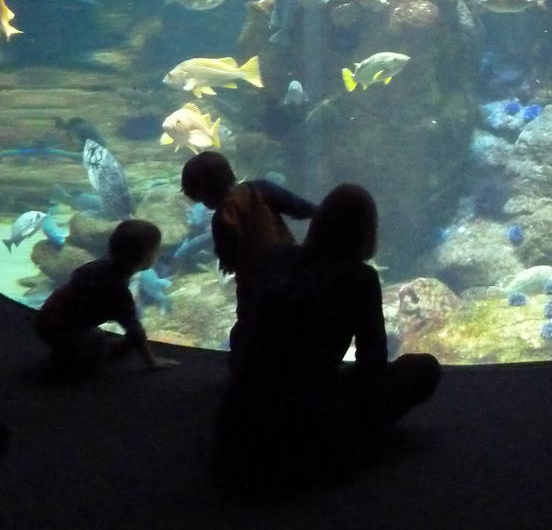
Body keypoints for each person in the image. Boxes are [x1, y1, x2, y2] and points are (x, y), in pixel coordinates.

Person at [212, 184, 440, 496]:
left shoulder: (275, 258)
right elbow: (371, 363)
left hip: (236, 426)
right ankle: (349, 444)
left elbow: (244, 334)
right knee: (422, 368)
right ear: (366, 231)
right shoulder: (360, 278)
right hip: (309, 434)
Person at [179, 151, 316, 354]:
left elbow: (228, 259)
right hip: (289, 270)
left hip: (253, 284)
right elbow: (300, 207)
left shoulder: (221, 218)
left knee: (252, 329)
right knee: (294, 322)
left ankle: (249, 370)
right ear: (230, 173)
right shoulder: (260, 188)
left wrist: (227, 263)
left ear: (202, 194)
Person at [35, 219, 177, 380]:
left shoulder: (96, 266)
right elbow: (135, 331)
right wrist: (152, 362)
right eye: (156, 251)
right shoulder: (118, 292)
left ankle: (65, 351)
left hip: (44, 320)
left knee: (97, 335)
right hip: (63, 330)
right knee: (104, 345)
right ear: (147, 258)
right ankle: (68, 367)